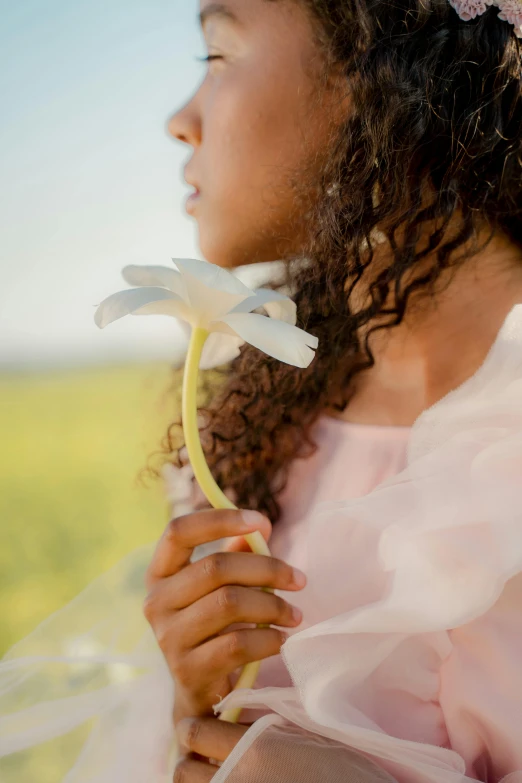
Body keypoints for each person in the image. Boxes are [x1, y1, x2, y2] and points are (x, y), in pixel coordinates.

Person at [1, 0, 521, 781]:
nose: (181, 119)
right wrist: (194, 705)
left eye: (216, 54)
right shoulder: (277, 426)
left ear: (383, 80)